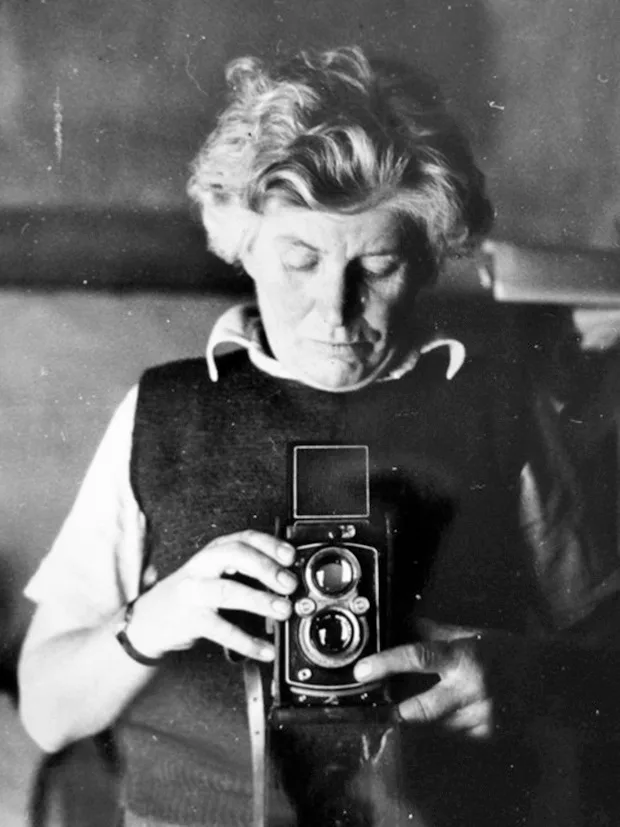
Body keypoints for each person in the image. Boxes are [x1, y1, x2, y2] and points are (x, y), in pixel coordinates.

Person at [17, 46, 620, 827]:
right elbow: (47, 714)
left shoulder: (499, 407)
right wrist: (149, 622)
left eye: (378, 265)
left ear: (430, 256)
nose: (335, 312)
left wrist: (521, 678)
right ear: (242, 244)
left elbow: (604, 656)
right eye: (300, 261)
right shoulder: (164, 411)